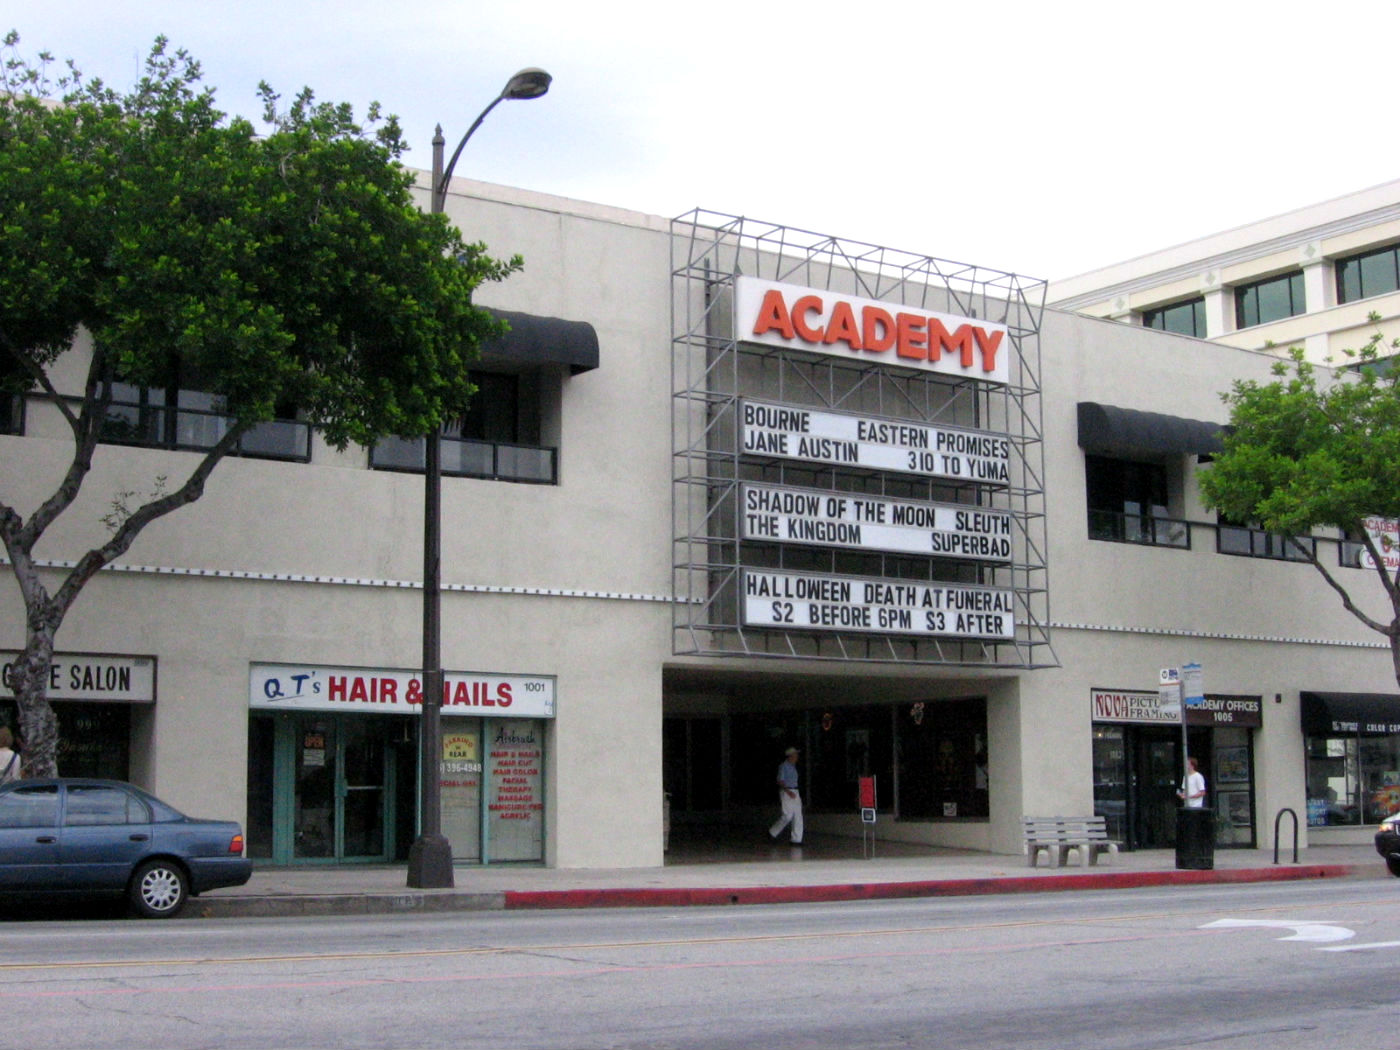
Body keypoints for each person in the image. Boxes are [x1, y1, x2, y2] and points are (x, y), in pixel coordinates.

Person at [768, 746, 803, 845]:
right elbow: (780, 781)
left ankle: (796, 839)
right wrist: (788, 791)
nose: (797, 756)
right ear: (790, 756)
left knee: (798, 815)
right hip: (787, 791)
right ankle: (773, 832)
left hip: (795, 791)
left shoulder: (793, 766)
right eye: (795, 754)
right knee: (788, 815)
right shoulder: (784, 766)